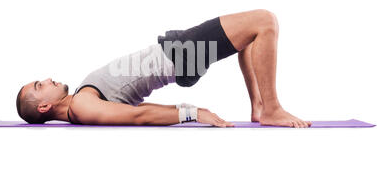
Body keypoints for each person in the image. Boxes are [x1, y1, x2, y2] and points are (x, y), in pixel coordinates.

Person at [16, 9, 311, 128]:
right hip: (181, 53)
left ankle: (260, 107)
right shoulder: (81, 107)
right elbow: (138, 115)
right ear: (43, 107)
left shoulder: (81, 101)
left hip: (179, 51)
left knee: (247, 37)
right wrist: (194, 113)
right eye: (39, 86)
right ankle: (272, 109)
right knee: (264, 21)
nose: (47, 79)